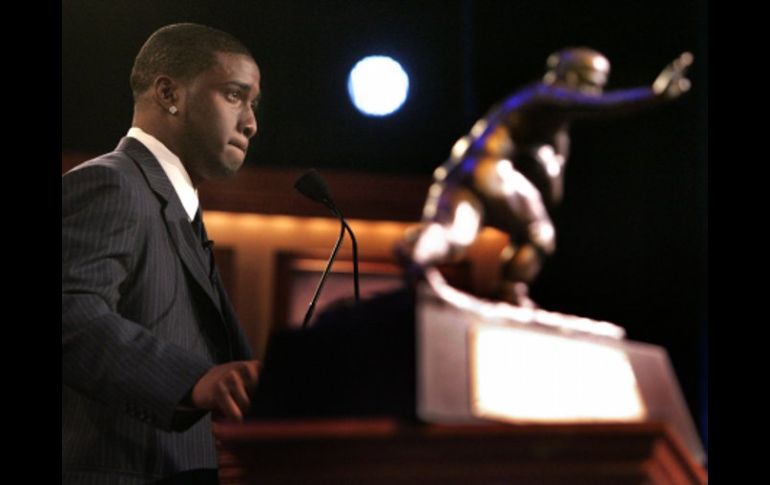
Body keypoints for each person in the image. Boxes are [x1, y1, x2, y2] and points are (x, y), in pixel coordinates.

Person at [62, 23, 262, 484]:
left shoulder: (179, 212)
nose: (251, 122)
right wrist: (193, 381)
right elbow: (70, 310)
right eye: (235, 95)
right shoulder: (112, 184)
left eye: (253, 104)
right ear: (170, 93)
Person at [404, 47, 692, 308]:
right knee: (540, 233)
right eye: (590, 85)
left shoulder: (555, 126)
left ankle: (417, 258)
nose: (591, 94)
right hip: (488, 168)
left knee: (457, 234)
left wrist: (547, 165)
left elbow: (554, 194)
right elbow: (598, 107)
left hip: (461, 171)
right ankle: (509, 293)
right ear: (568, 77)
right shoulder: (542, 94)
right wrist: (654, 95)